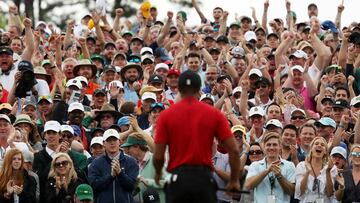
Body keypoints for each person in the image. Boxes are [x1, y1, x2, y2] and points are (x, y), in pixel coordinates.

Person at [153, 70, 240, 203]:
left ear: (179, 89)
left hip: (178, 178)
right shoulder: (213, 114)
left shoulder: (166, 115)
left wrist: (158, 173)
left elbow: (158, 156)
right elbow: (233, 149)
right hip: (203, 178)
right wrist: (233, 180)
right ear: (199, 89)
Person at [88, 129, 139, 203]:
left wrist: (120, 173)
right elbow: (94, 186)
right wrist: (111, 176)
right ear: (104, 143)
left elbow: (132, 186)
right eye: (109, 140)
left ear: (119, 142)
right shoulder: (96, 163)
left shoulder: (130, 161)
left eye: (114, 140)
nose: (112, 143)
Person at [245, 132, 295, 203]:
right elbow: (248, 186)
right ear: (264, 146)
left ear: (280, 146)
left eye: (275, 145)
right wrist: (266, 171)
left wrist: (279, 176)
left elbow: (291, 191)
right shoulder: (255, 165)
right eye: (268, 145)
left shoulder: (289, 165)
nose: (271, 148)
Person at [294, 137, 336, 203]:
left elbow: (330, 193)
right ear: (311, 149)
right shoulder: (301, 166)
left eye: (322, 145)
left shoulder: (331, 167)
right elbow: (300, 192)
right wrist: (307, 172)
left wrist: (328, 171)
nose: (319, 145)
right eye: (316, 144)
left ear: (325, 151)